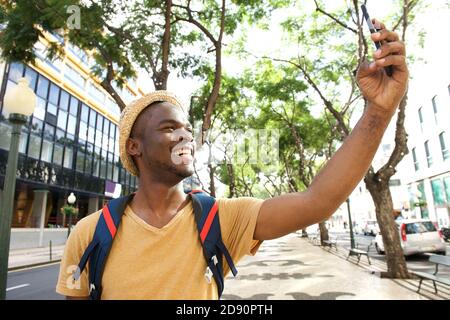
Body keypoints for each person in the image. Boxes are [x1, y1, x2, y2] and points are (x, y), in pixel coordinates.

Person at [56, 20, 408, 299]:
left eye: (187, 130)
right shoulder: (90, 234)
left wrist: (378, 111)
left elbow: (317, 201)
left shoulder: (219, 219)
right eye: (168, 128)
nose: (184, 137)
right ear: (135, 147)